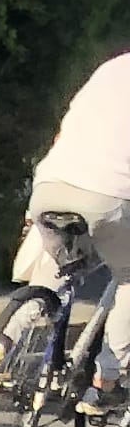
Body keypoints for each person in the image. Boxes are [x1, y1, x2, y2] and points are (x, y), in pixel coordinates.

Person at [25, 48, 130, 400]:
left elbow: (64, 131)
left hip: (50, 184)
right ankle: (107, 380)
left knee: (60, 260)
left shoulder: (111, 68)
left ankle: (5, 343)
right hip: (109, 196)